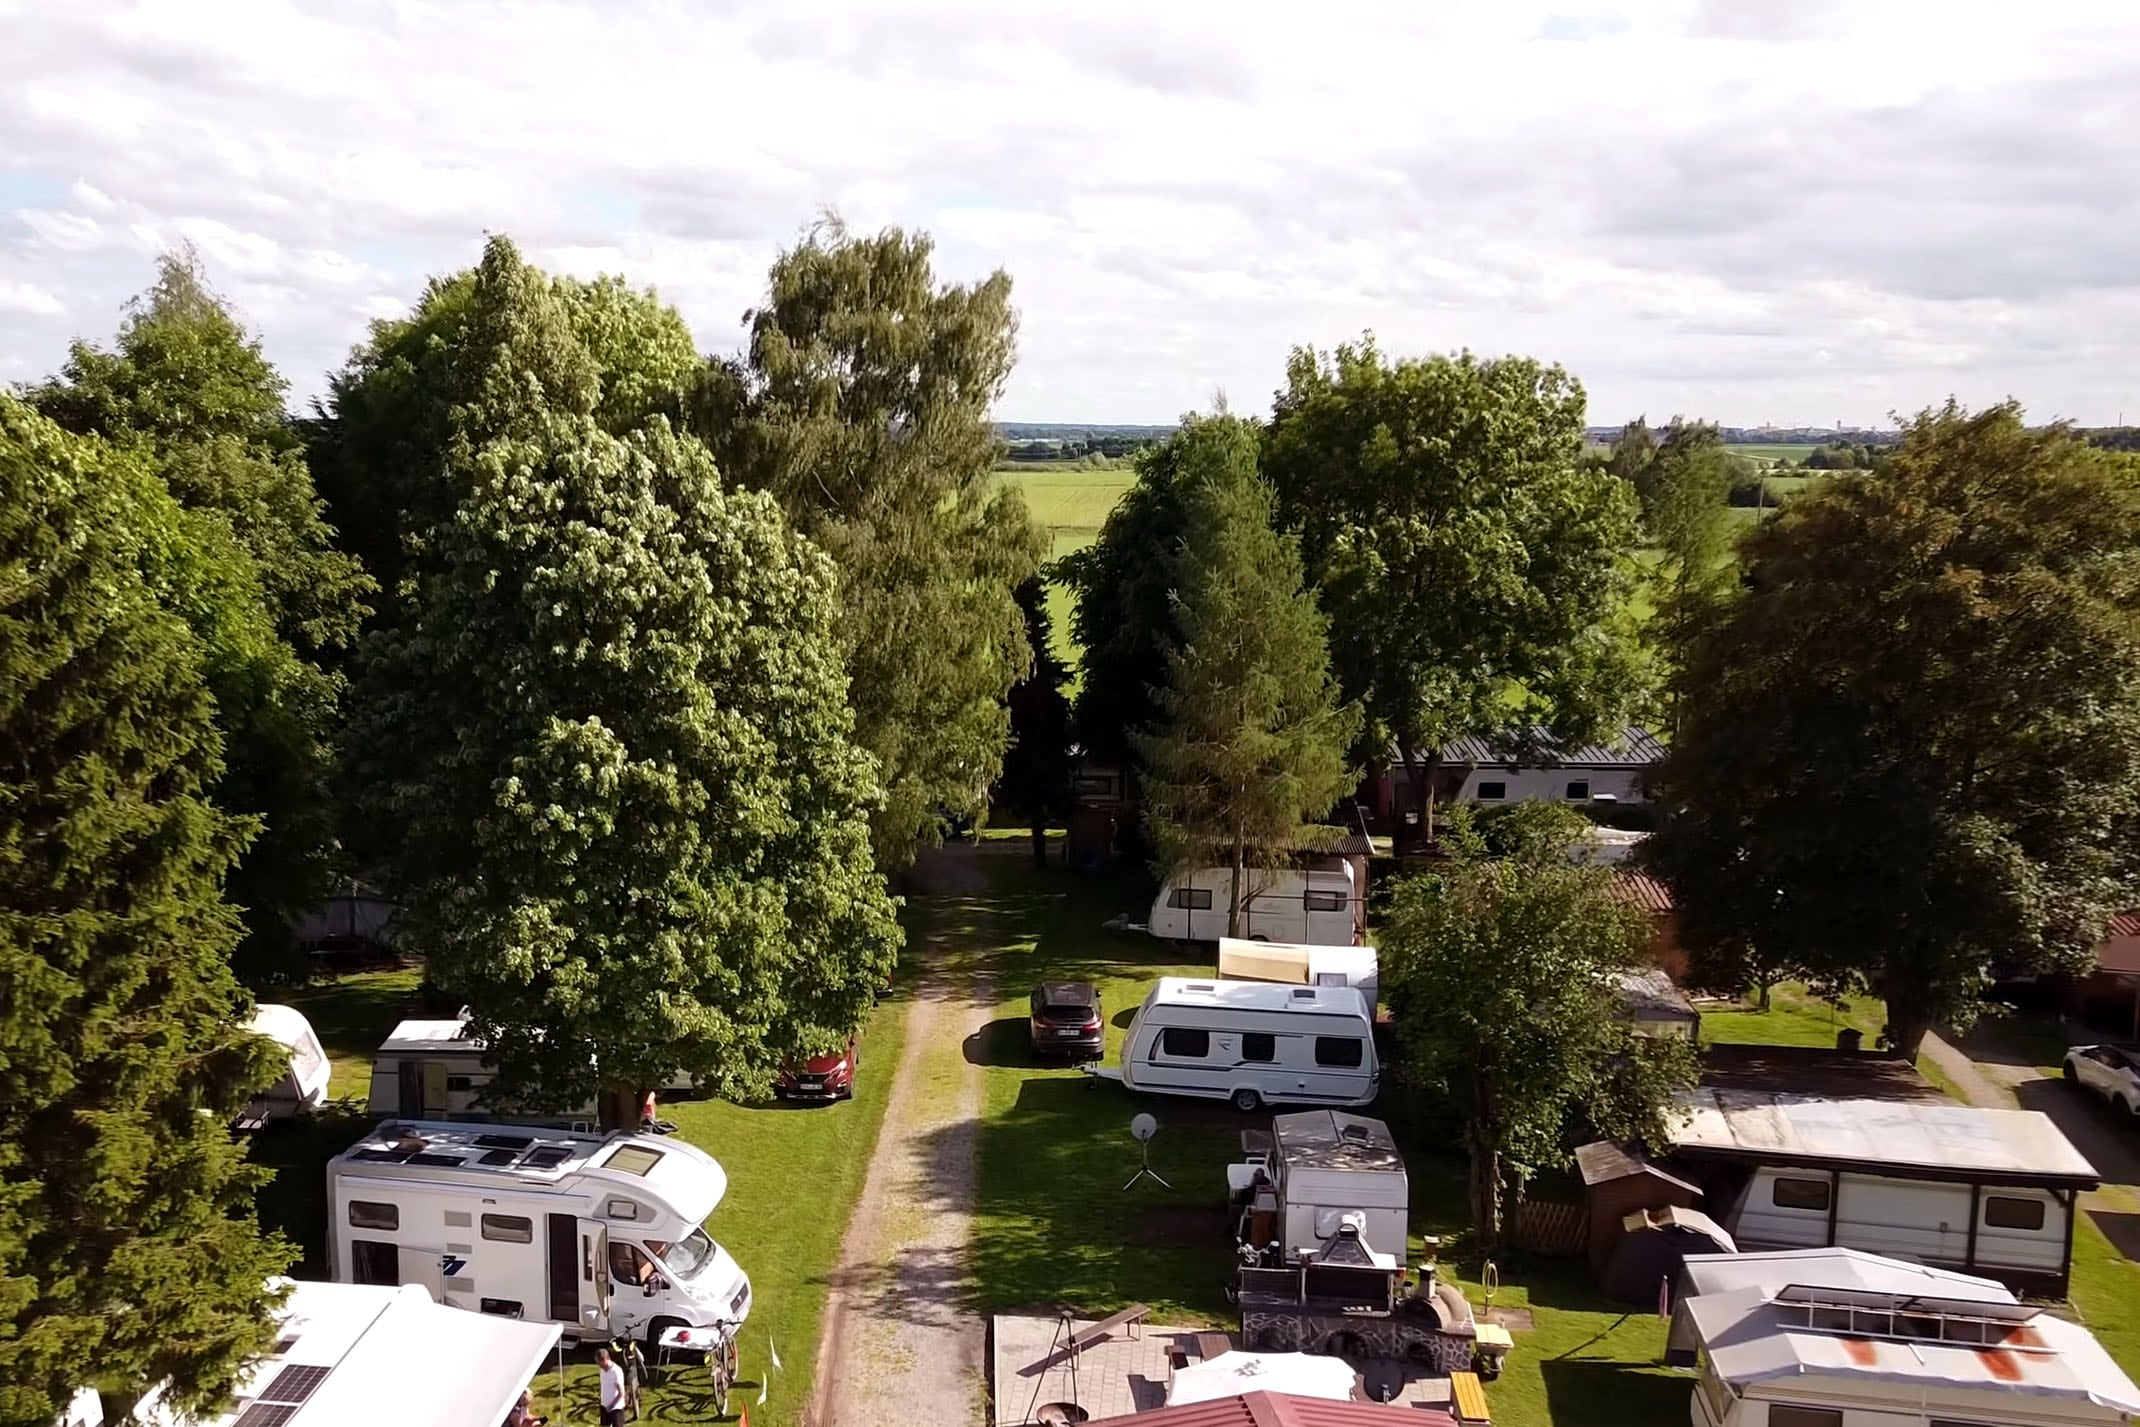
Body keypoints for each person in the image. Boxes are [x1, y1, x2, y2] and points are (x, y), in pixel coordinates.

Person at [597, 1348, 626, 1427]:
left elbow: (621, 1393)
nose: (600, 1366)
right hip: (604, 1406)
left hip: (616, 1408)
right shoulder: (602, 1370)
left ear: (605, 1359)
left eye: (601, 1363)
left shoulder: (616, 1371)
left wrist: (611, 1406)